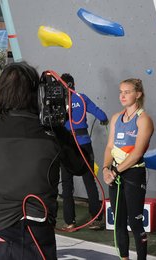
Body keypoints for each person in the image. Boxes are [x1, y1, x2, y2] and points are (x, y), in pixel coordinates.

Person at [0, 62, 87, 260]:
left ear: (0, 92)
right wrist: (58, 125)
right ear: (38, 94)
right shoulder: (54, 134)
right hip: (37, 233)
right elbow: (80, 166)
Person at [102, 78, 154, 260]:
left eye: (127, 92)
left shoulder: (144, 120)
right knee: (119, 222)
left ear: (138, 94)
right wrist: (105, 169)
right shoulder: (116, 118)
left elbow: (137, 154)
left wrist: (115, 171)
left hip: (133, 173)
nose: (122, 96)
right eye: (121, 92)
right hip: (115, 174)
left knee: (135, 222)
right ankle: (123, 258)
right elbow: (110, 147)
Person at [60, 73, 108, 231]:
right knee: (89, 182)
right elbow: (101, 115)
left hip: (67, 148)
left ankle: (70, 222)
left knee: (67, 185)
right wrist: (104, 120)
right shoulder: (83, 98)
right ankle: (96, 219)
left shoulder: (59, 103)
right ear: (73, 84)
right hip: (84, 146)